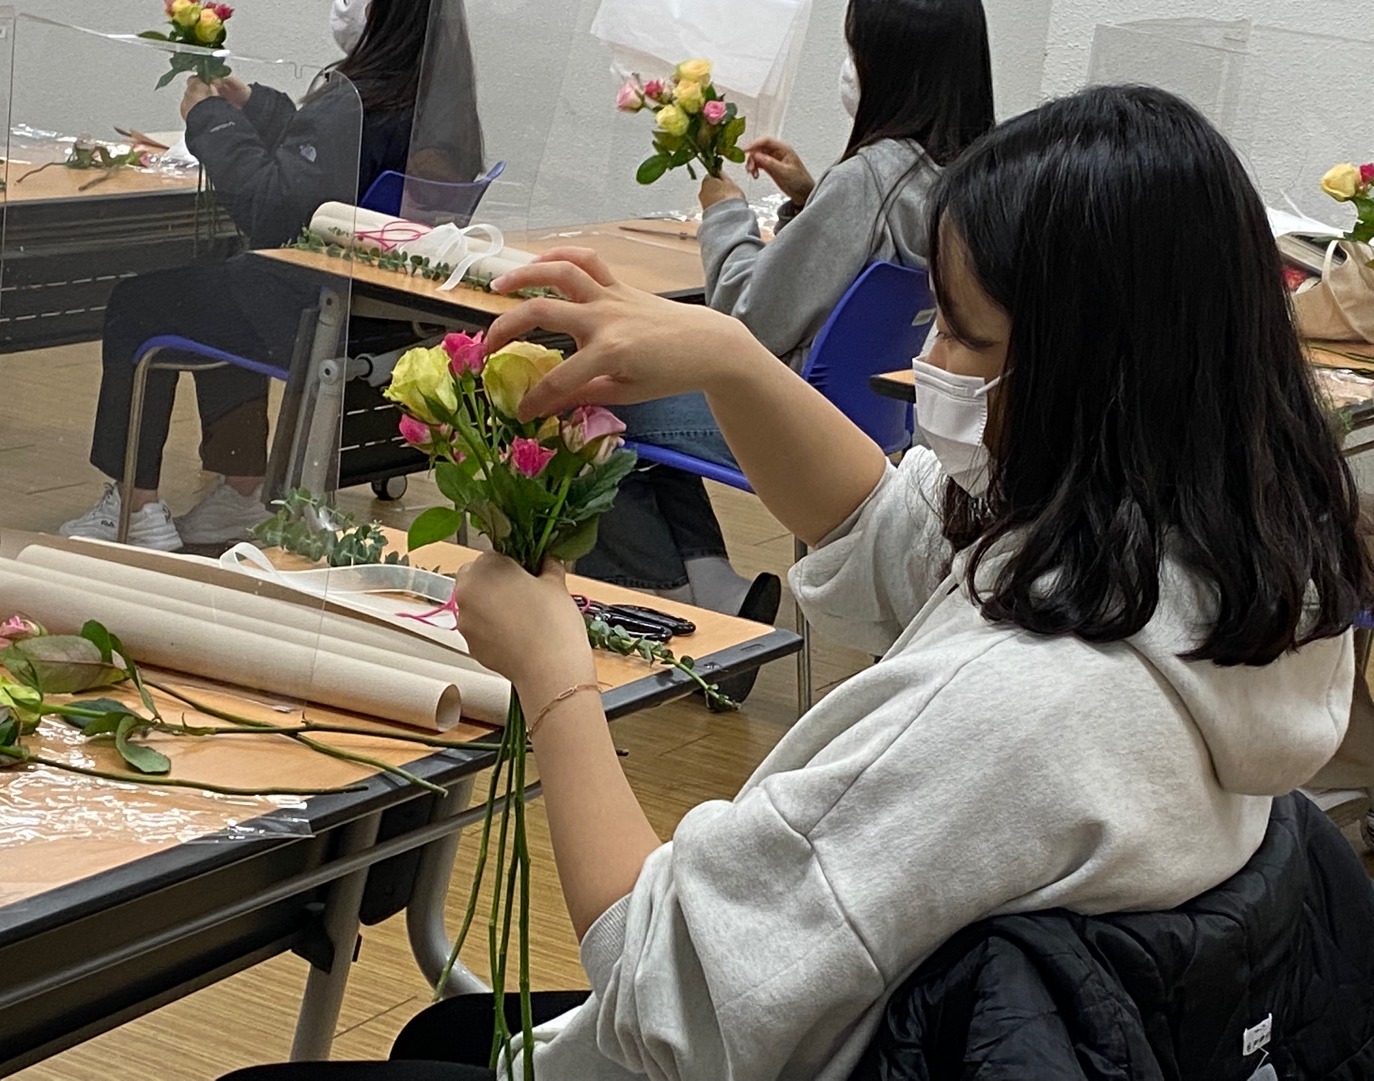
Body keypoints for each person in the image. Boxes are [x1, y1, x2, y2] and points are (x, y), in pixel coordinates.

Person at [216, 85, 1371, 1080]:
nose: (925, 359)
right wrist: (726, 356)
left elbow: (663, 995)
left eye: (961, 333)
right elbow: (895, 531)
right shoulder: (1223, 588)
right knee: (446, 1031)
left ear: (1088, 377)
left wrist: (556, 674)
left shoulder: (1018, 712)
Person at [576, 0, 995, 623]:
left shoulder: (870, 177)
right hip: (880, 422)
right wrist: (810, 194)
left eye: (854, 50)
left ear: (888, 63)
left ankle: (662, 603)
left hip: (799, 418)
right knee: (636, 404)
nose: (848, 67)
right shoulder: (965, 175)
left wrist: (725, 211)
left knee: (590, 401)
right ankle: (715, 590)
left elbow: (746, 322)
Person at [60, 0, 481, 550]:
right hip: (382, 321)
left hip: (312, 316)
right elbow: (328, 168)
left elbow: (272, 212)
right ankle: (240, 493)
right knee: (216, 287)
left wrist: (210, 120)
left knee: (138, 304)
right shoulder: (435, 102)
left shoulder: (354, 100)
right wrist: (252, 105)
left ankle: (135, 507)